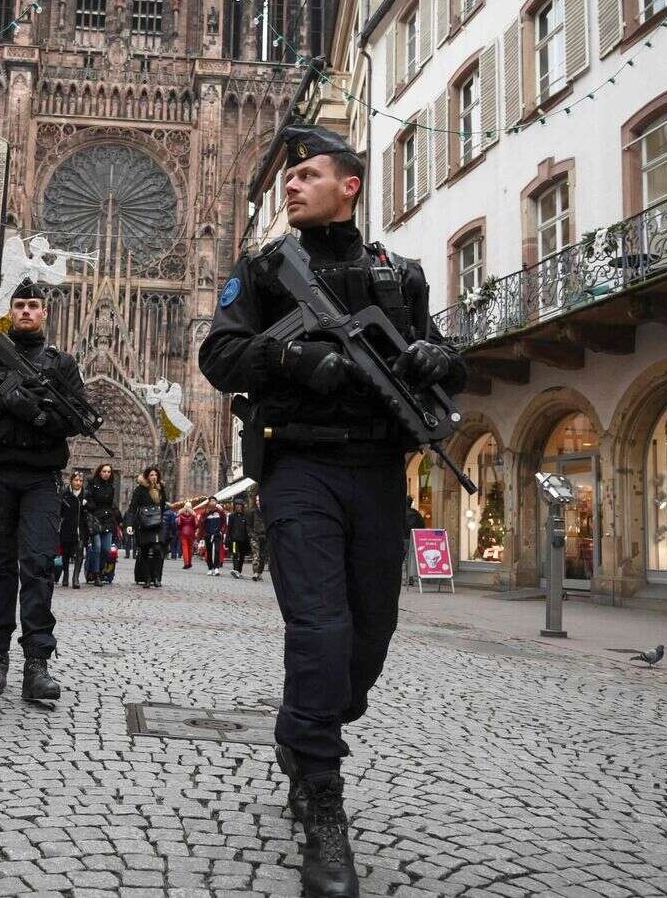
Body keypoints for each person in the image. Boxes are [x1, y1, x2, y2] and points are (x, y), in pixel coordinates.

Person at [198, 124, 466, 897]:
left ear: (349, 184)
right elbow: (219, 356)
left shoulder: (399, 275)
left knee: (369, 640)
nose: (291, 185)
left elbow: (443, 354)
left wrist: (437, 360)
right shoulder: (263, 272)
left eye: (308, 174)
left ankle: (303, 729)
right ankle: (322, 798)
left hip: (378, 471)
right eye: (289, 177)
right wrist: (288, 357)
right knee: (319, 628)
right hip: (299, 467)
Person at [0, 279, 89, 700]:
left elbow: (79, 419)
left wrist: (38, 411)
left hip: (41, 478)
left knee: (37, 565)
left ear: (45, 313)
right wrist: (4, 400)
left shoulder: (61, 365)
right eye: (20, 306)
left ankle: (37, 662)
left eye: (34, 306)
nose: (27, 311)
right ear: (9, 313)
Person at [125, 466, 169, 588]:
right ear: (146, 476)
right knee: (144, 551)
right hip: (144, 524)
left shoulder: (161, 489)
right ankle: (147, 578)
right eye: (151, 475)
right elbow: (133, 507)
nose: (154, 477)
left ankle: (156, 577)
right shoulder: (140, 490)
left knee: (157, 549)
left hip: (157, 524)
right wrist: (129, 524)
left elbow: (164, 505)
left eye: (155, 475)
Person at [81, 463, 119, 586]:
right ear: (99, 472)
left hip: (107, 519)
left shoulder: (111, 487)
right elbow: (86, 499)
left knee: (107, 549)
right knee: (96, 547)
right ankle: (96, 574)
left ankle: (98, 570)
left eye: (108, 472)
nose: (106, 474)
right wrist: (89, 506)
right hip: (95, 519)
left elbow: (111, 505)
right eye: (104, 471)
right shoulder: (92, 484)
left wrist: (117, 518)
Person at [58, 472, 87, 588]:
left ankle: (75, 578)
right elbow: (59, 511)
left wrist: (87, 505)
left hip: (81, 529)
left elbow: (91, 509)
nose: (78, 483)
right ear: (71, 481)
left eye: (80, 481)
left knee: (80, 552)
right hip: (67, 528)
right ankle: (65, 574)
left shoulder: (85, 495)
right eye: (76, 480)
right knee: (66, 553)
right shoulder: (65, 494)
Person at [227, 498, 252, 579]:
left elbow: (248, 528)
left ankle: (239, 571)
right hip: (234, 540)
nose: (238, 507)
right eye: (236, 505)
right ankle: (235, 570)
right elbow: (229, 528)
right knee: (235, 554)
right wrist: (228, 538)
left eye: (239, 505)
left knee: (242, 556)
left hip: (243, 540)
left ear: (242, 507)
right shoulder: (231, 516)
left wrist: (249, 537)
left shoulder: (245, 516)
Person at [201, 498, 226, 576]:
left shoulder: (219, 512)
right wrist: (203, 534)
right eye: (211, 501)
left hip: (217, 534)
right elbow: (201, 524)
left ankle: (216, 568)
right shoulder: (205, 512)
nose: (213, 502)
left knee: (217, 551)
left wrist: (222, 531)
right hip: (208, 534)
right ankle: (210, 568)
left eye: (214, 501)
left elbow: (224, 522)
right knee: (209, 551)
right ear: (209, 503)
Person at [250, 493, 269, 581]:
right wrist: (250, 533)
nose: (258, 502)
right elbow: (249, 524)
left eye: (259, 500)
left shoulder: (267, 512)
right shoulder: (253, 512)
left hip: (265, 536)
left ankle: (260, 572)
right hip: (255, 536)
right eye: (257, 500)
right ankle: (255, 573)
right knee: (255, 555)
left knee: (263, 556)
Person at [177, 504, 198, 568]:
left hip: (183, 533)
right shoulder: (193, 515)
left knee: (184, 548)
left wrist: (181, 529)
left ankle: (186, 563)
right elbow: (196, 525)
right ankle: (190, 563)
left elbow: (179, 524)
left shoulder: (181, 515)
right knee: (190, 548)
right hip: (191, 533)